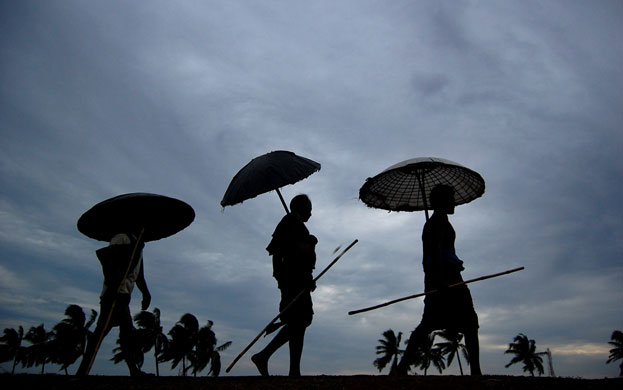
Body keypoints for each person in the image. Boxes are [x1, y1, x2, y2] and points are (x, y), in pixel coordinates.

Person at [394, 184, 482, 375]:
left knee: (460, 323)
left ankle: (402, 368)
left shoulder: (440, 222)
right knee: (440, 323)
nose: (454, 202)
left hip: (447, 278)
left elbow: (437, 254)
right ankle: (475, 372)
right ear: (443, 201)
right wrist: (440, 281)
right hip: (444, 280)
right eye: (451, 198)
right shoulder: (436, 224)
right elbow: (431, 256)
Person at [251, 194, 317, 377]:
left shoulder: (294, 225)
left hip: (296, 279)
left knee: (300, 322)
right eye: (309, 209)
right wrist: (309, 244)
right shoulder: (290, 224)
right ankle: (264, 356)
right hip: (293, 280)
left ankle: (294, 370)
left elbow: (299, 256)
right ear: (300, 207)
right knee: (299, 320)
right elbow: (287, 253)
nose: (311, 214)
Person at [76, 231, 151, 377]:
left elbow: (139, 275)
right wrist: (113, 288)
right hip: (113, 295)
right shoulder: (121, 238)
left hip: (124, 296)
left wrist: (146, 293)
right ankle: (82, 371)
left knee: (125, 334)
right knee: (103, 331)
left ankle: (133, 370)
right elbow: (109, 264)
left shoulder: (138, 246)